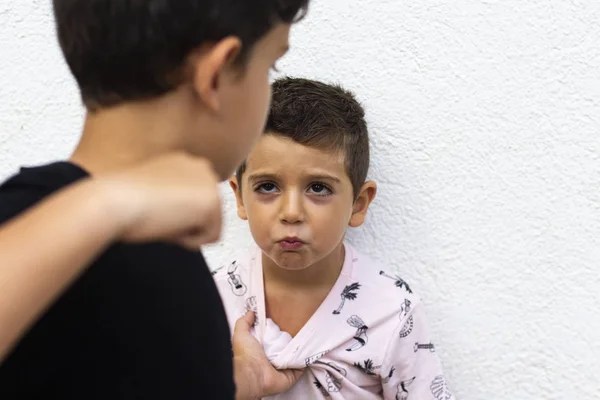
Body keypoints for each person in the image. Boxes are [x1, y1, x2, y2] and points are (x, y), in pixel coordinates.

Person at [0, 0, 309, 399]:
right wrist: (109, 204)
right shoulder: (44, 216)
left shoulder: (159, 231)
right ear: (215, 76)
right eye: (269, 68)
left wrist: (247, 376)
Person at [213, 77, 454, 399]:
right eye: (267, 187)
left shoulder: (391, 310)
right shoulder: (210, 298)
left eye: (318, 188)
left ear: (359, 204)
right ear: (240, 198)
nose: (291, 212)